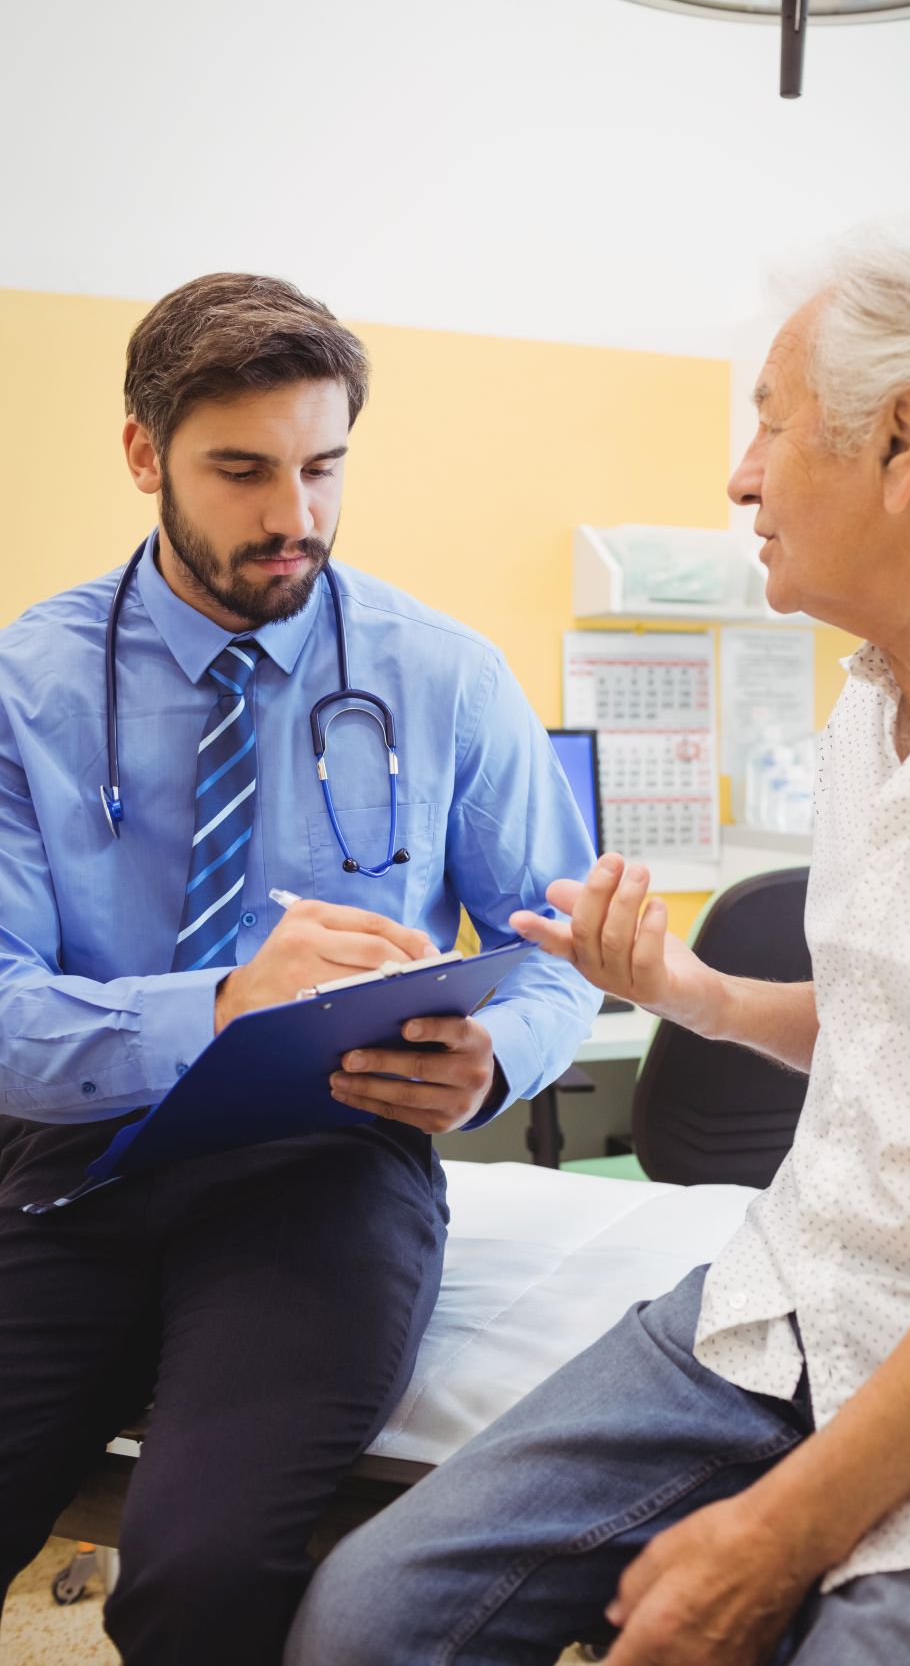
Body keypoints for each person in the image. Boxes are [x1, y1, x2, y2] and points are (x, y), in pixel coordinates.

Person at [285, 216, 910, 1666]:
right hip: (788, 1288)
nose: (737, 474)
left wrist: (781, 1531)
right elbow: (907, 1035)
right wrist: (679, 986)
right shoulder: (869, 692)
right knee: (362, 1620)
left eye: (768, 426)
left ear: (902, 438)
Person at [0, 272, 599, 1666]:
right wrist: (215, 1005)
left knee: (195, 1573)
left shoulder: (443, 675)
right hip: (71, 1168)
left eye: (324, 467)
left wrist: (495, 1056)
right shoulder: (22, 690)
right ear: (145, 455)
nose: (294, 516)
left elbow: (555, 954)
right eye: (243, 470)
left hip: (320, 1172)